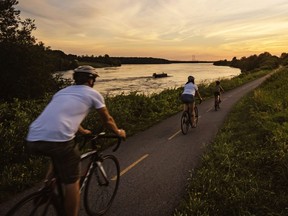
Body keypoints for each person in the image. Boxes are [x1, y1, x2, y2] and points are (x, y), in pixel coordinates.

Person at [26, 65, 126, 216]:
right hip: (58, 140)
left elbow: (63, 114)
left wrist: (83, 131)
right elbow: (108, 120)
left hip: (33, 137)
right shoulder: (93, 94)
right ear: (91, 80)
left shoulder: (62, 92)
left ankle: (46, 188)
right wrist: (118, 132)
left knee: (57, 157)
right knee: (72, 182)